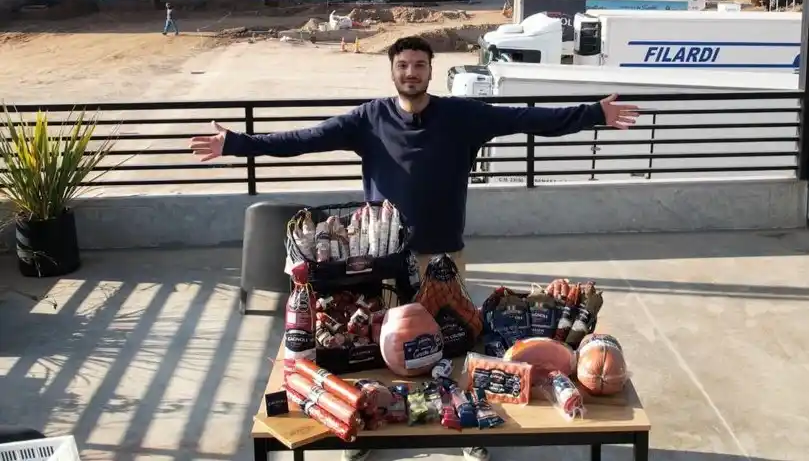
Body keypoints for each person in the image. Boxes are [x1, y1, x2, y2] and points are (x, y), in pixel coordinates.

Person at [189, 36, 639, 461]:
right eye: (402, 66)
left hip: (444, 256)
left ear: (430, 71)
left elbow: (528, 119)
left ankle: (469, 425)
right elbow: (304, 140)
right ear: (392, 72)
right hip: (384, 263)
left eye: (419, 65)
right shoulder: (368, 119)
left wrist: (593, 114)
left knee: (456, 345)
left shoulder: (463, 116)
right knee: (378, 350)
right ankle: (367, 427)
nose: (411, 72)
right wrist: (235, 143)